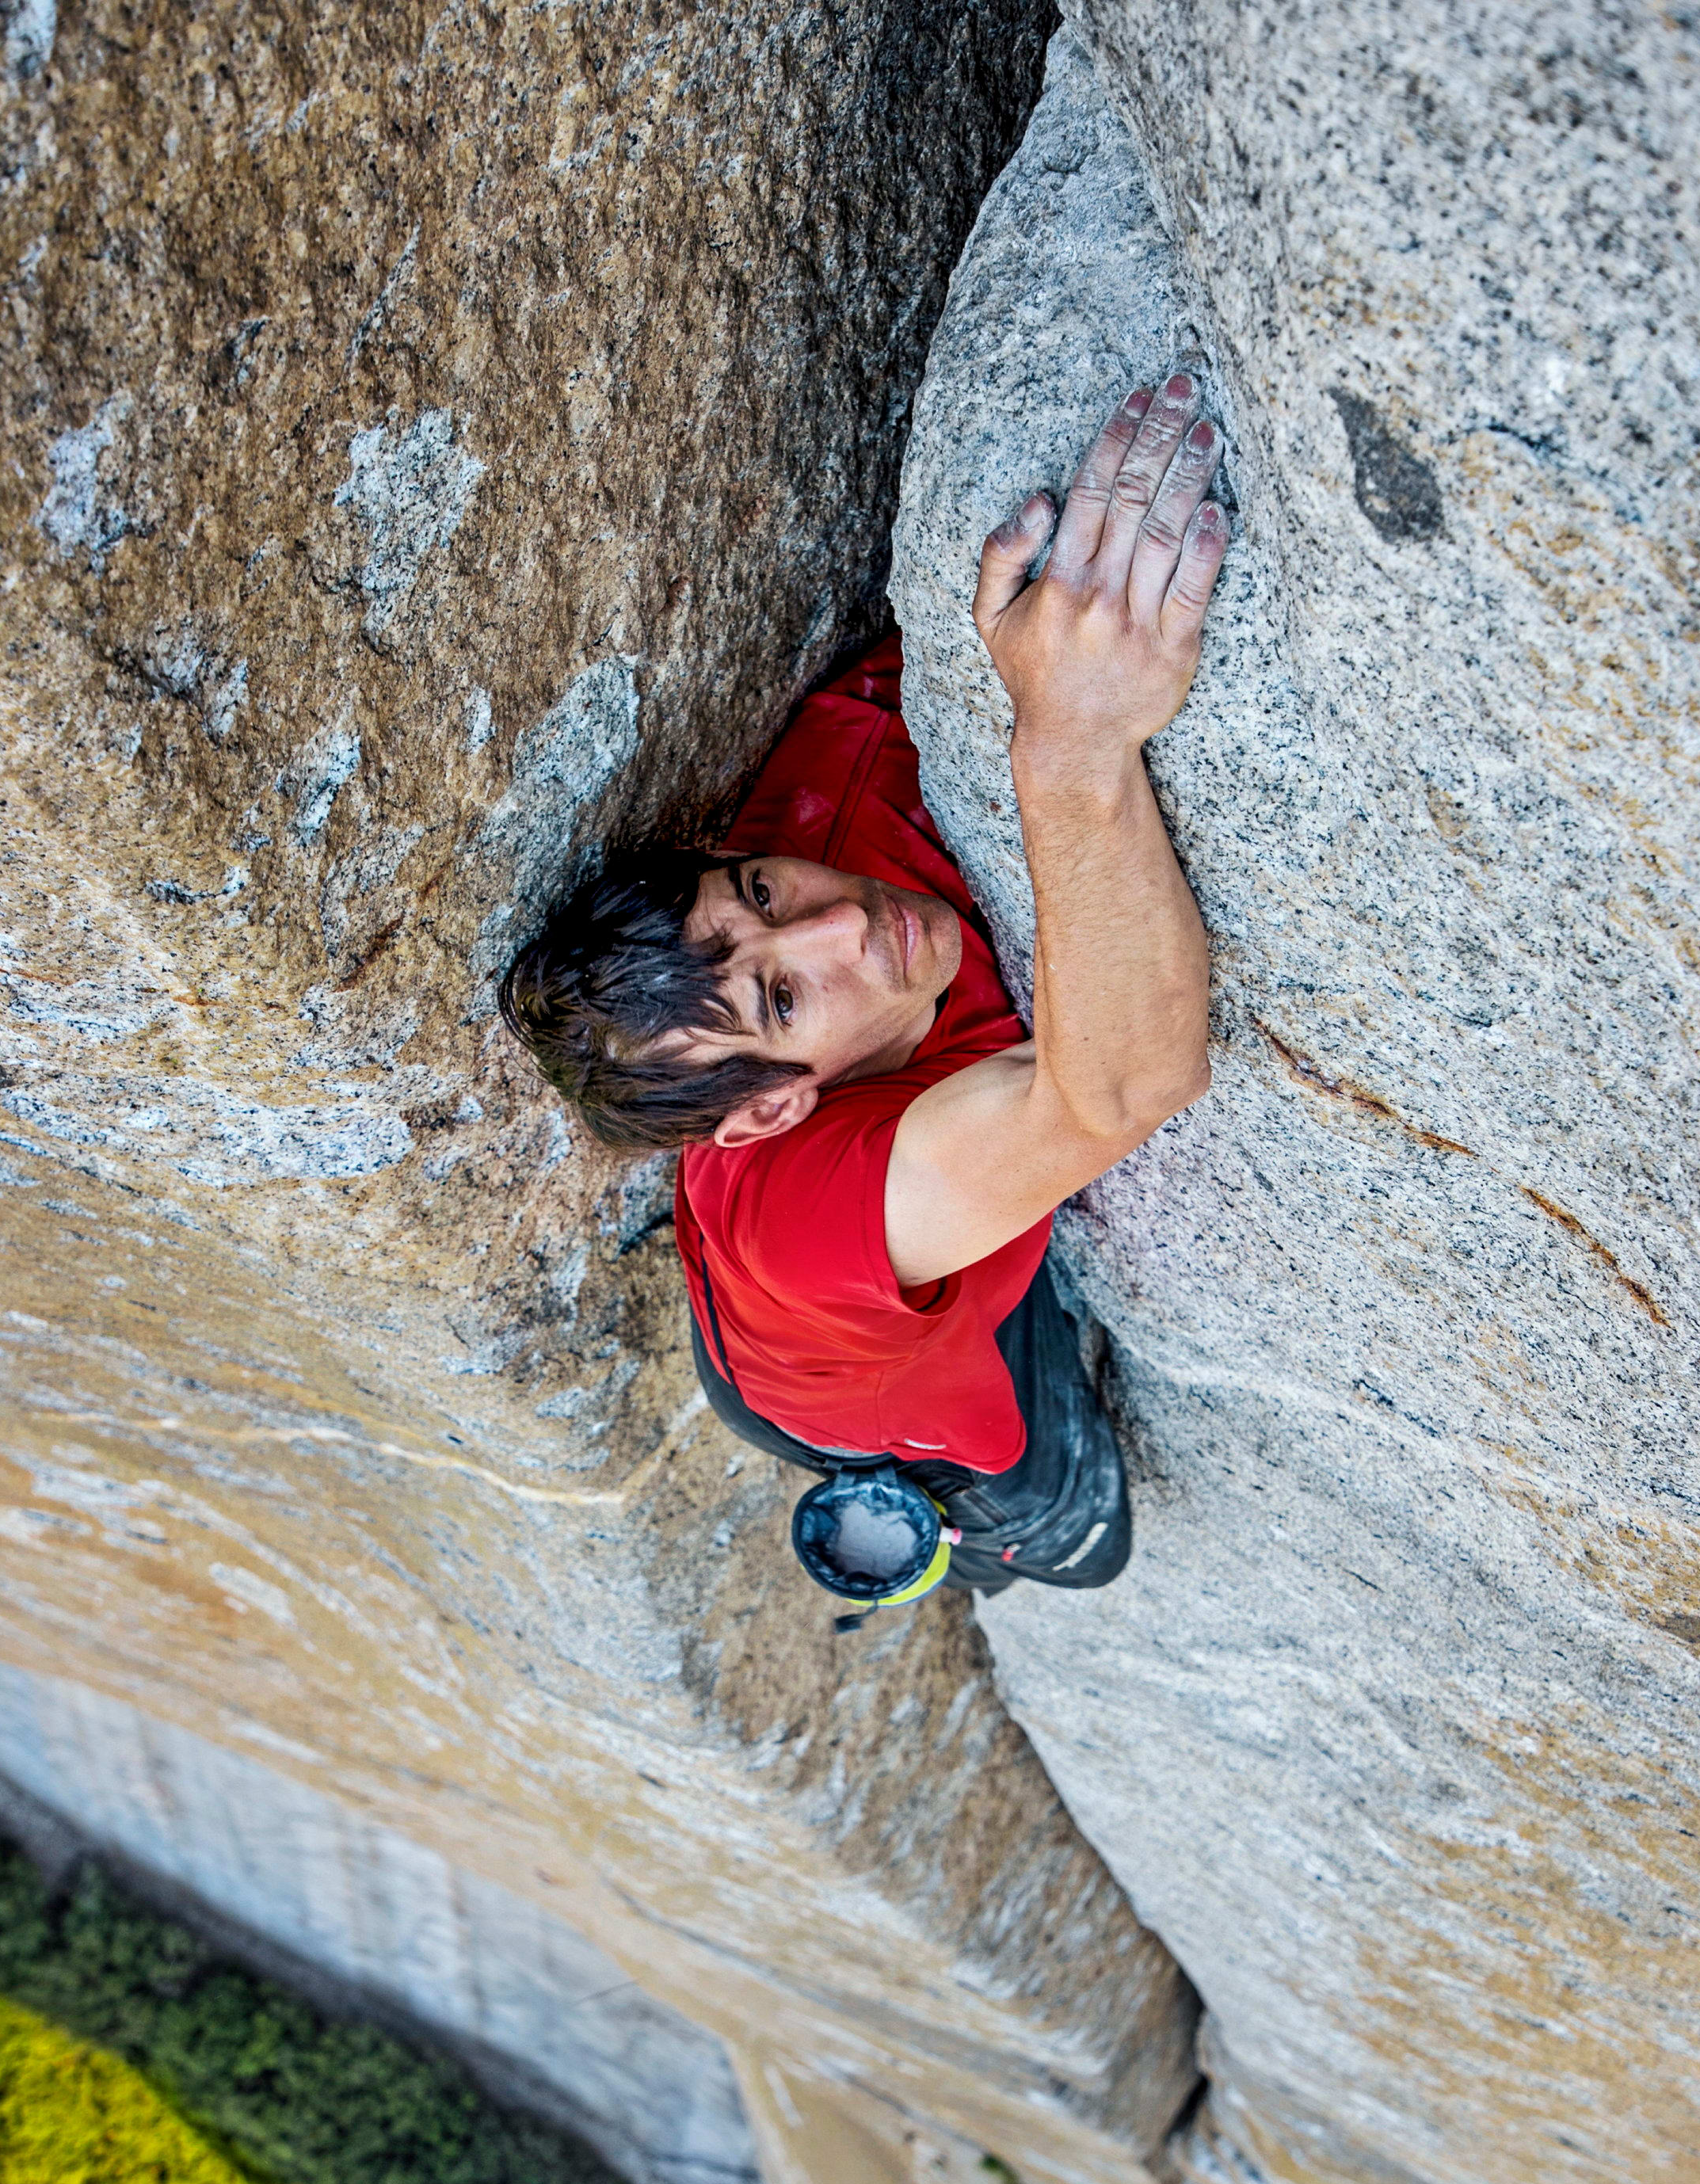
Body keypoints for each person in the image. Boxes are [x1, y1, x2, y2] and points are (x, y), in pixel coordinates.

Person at [500, 373, 1226, 1600]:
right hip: (841, 1380)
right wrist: (1074, 744)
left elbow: (968, 644)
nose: (845, 922)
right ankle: (992, 1540)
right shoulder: (815, 1213)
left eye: (762, 897)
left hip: (762, 1333)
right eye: (784, 1001)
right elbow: (1126, 1086)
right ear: (776, 1107)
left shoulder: (827, 780)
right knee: (1074, 1532)